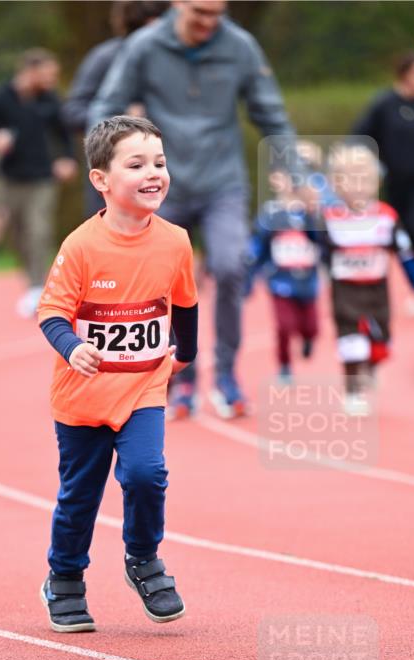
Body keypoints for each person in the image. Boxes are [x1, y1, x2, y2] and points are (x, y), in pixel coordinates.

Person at [89, 0, 297, 420]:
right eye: (200, 12)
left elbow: (272, 115)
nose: (209, 23)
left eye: (217, 14)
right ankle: (179, 380)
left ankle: (226, 376)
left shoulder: (240, 46)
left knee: (230, 265)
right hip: (163, 185)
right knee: (162, 285)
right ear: (178, 4)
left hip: (223, 181)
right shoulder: (145, 46)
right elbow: (103, 109)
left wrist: (295, 172)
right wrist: (117, 160)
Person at [36, 116, 198, 632]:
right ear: (101, 179)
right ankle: (63, 578)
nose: (154, 173)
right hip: (82, 395)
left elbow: (185, 302)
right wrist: (73, 347)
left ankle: (142, 558)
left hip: (143, 386)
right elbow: (52, 312)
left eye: (160, 162)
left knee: (147, 475)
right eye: (137, 164)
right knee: (80, 497)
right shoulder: (82, 245)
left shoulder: (175, 241)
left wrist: (187, 353)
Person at [320, 145, 414, 417]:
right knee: (350, 341)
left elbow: (404, 251)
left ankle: (373, 366)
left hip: (377, 290)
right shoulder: (329, 218)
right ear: (335, 184)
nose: (357, 186)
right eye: (348, 179)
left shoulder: (386, 216)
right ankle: (353, 392)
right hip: (345, 291)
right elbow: (319, 251)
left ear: (376, 182)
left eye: (364, 178)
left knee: (380, 340)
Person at [0, 49, 78, 318]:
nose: (51, 80)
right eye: (47, 74)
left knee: (38, 230)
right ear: (29, 72)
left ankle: (38, 288)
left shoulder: (50, 100)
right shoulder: (0, 97)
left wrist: (67, 159)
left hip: (42, 178)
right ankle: (31, 284)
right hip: (9, 178)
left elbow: (64, 133)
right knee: (19, 234)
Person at [352, 52, 414, 312]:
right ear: (406, 74)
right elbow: (361, 135)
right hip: (397, 181)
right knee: (405, 236)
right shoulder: (384, 104)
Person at [63, 0, 170, 216]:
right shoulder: (105, 59)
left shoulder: (173, 61)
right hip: (115, 172)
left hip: (165, 173)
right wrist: (123, 123)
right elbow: (73, 112)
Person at [245, 142, 322, 385]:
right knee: (284, 326)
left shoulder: (313, 212)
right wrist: (250, 277)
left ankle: (308, 340)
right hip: (279, 280)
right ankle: (285, 365)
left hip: (308, 281)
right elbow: (258, 246)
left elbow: (323, 240)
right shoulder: (271, 213)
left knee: (312, 327)